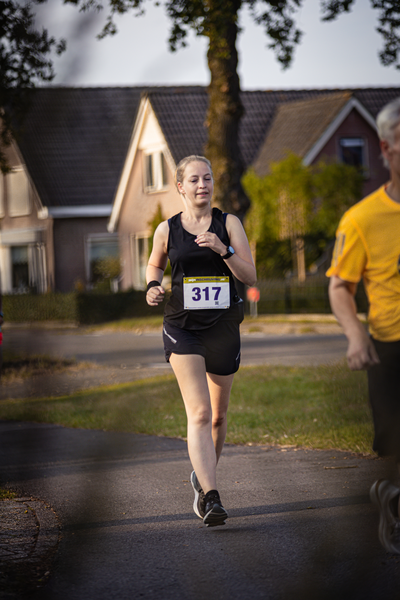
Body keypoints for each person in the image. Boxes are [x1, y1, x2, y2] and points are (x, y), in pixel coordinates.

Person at [146, 155, 256, 527]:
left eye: (207, 178)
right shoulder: (167, 229)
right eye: (193, 180)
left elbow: (250, 275)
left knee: (219, 415)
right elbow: (154, 265)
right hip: (182, 326)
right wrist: (152, 287)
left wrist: (223, 250)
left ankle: (202, 476)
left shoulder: (229, 223)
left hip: (223, 325)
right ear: (180, 186)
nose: (202, 185)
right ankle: (211, 497)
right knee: (200, 411)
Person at [327, 97, 400, 554]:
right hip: (391, 348)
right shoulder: (361, 219)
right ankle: (391, 494)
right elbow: (339, 286)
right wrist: (356, 335)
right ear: (386, 148)